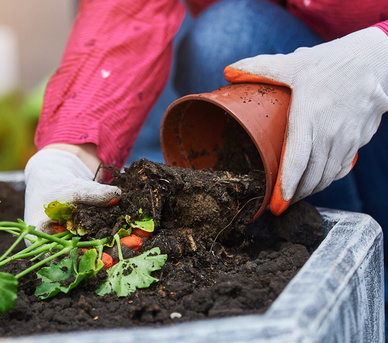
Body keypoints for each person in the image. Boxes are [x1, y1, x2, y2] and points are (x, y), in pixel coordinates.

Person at [24, 0, 388, 239]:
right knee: (227, 37)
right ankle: (333, 247)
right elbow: (129, 10)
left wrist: (376, 60)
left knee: (230, 34)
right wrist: (70, 151)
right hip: (288, 45)